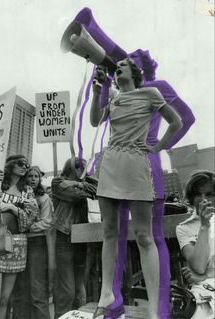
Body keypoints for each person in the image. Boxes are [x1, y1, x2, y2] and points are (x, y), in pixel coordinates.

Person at [95, 49, 195, 319]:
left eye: (131, 62)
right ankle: (112, 303)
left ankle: (159, 311)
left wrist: (160, 147)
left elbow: (185, 119)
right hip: (116, 161)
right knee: (112, 234)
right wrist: (100, 88)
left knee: (149, 236)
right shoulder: (116, 96)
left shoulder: (157, 87)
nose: (122, 64)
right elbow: (98, 117)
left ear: (144, 70)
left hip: (144, 161)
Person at [0, 155, 38, 319]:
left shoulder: (27, 190)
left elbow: (30, 219)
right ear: (10, 165)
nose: (25, 166)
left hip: (17, 245)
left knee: (5, 300)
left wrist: (11, 207)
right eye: (21, 163)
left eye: (27, 164)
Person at [51, 157, 98, 319]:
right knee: (67, 290)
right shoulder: (57, 182)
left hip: (83, 237)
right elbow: (74, 196)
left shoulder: (85, 181)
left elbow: (99, 190)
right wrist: (85, 188)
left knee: (80, 288)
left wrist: (80, 184)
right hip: (65, 236)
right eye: (81, 168)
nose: (83, 172)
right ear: (72, 168)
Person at [11, 165, 54, 319]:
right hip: (20, 243)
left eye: (36, 176)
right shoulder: (20, 196)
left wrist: (27, 227)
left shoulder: (43, 198)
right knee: (21, 287)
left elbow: (47, 221)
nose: (33, 179)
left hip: (36, 243)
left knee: (37, 286)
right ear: (25, 178)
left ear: (40, 179)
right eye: (30, 176)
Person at [176, 170, 215, 319]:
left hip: (205, 280)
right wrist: (204, 226)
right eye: (198, 195)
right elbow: (198, 266)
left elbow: (200, 272)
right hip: (204, 292)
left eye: (209, 194)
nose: (203, 200)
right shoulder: (183, 228)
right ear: (192, 198)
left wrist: (204, 276)